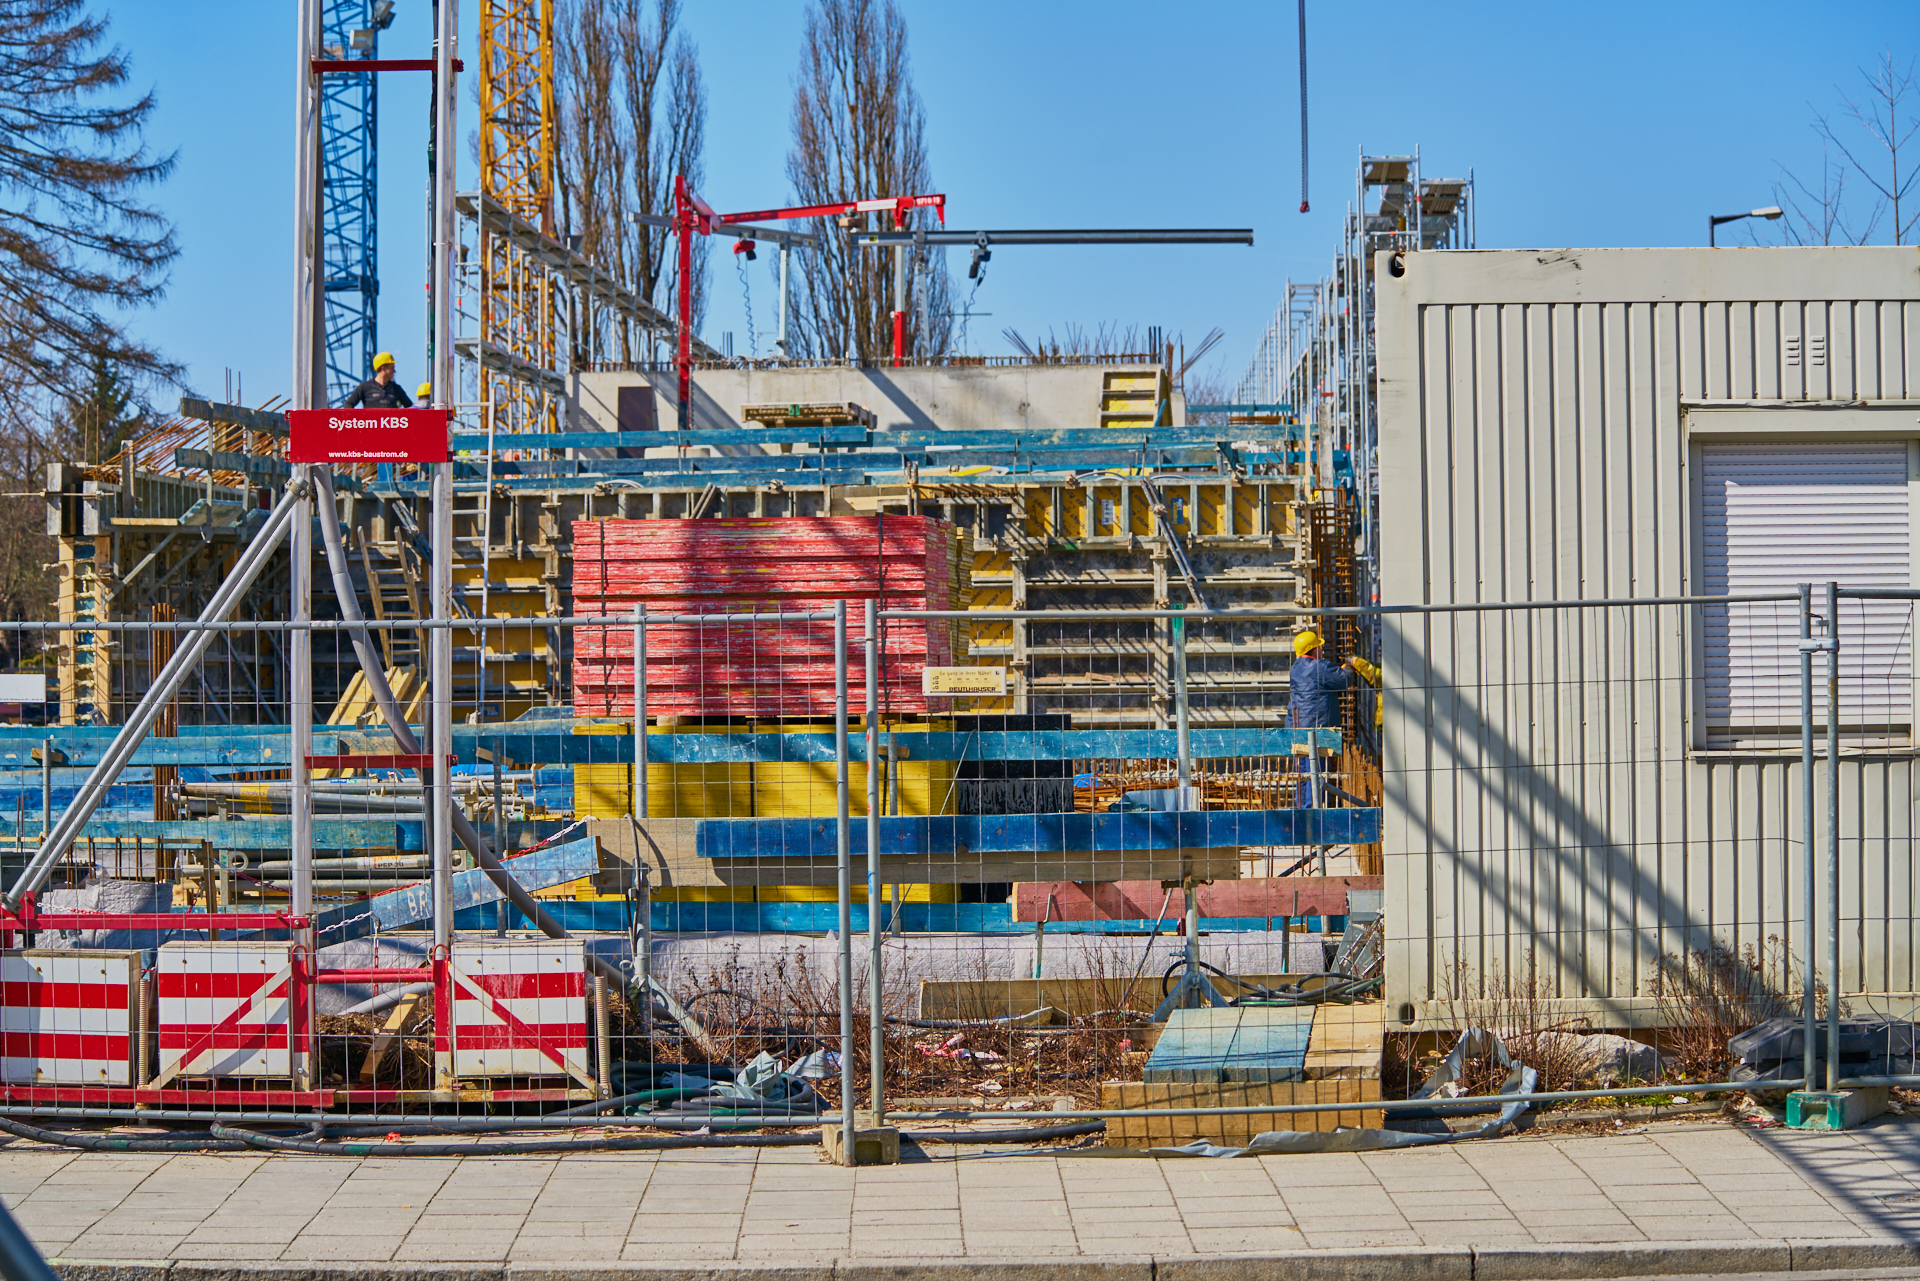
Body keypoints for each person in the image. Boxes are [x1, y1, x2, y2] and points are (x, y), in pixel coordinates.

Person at [343, 352, 414, 409]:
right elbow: (348, 404)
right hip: (371, 426)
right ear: (383, 369)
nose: (394, 371)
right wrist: (358, 421)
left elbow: (410, 408)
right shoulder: (364, 387)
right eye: (392, 368)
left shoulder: (396, 389)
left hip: (391, 426)